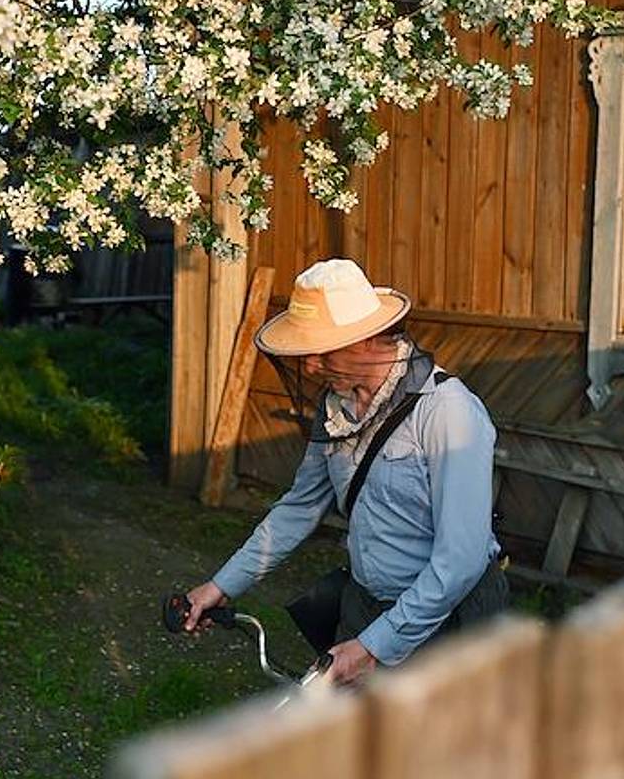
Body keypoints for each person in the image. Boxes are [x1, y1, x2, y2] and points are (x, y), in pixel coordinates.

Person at [184, 258, 507, 686]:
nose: (312, 366)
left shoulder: (448, 412)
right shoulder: (334, 410)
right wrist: (221, 586)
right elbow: (297, 509)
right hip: (365, 606)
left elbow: (460, 560)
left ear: (370, 339)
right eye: (306, 353)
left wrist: (374, 646)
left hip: (451, 619)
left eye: (324, 350)